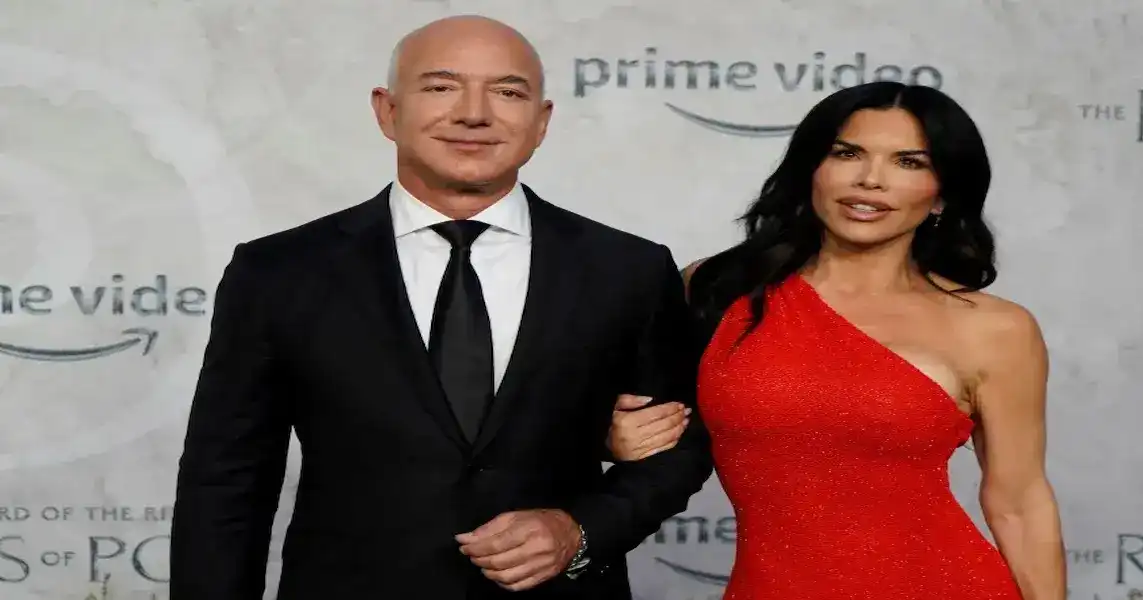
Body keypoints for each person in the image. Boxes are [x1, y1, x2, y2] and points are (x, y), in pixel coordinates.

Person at [169, 15, 713, 600]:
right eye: (441, 86)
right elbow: (225, 482)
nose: (474, 113)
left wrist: (579, 531)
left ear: (542, 122)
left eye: (507, 92)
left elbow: (679, 449)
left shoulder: (626, 269)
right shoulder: (279, 272)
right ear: (387, 111)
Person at [606, 81, 1066, 599]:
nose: (870, 179)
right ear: (811, 170)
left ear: (941, 194)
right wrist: (605, 436)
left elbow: (1018, 503)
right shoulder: (718, 289)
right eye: (847, 154)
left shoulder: (997, 329)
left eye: (908, 162)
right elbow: (631, 411)